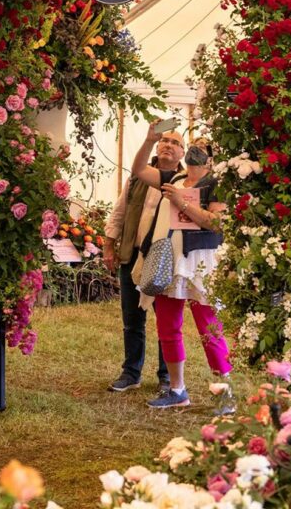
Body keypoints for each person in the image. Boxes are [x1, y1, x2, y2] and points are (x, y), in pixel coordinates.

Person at [129, 125, 234, 412]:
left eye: (203, 147)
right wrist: (149, 140)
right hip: (167, 260)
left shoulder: (216, 184)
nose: (196, 150)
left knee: (209, 328)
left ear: (211, 158)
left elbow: (217, 223)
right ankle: (177, 389)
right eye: (194, 144)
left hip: (199, 263)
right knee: (167, 326)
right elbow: (139, 170)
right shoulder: (173, 176)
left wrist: (180, 202)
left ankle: (225, 395)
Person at [102, 129, 185, 393]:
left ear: (183, 153)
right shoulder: (138, 178)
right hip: (132, 254)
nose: (168, 146)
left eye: (176, 143)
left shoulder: (186, 183)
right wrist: (108, 244)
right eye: (165, 141)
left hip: (164, 260)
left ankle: (165, 374)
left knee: (166, 321)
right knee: (132, 319)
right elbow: (120, 211)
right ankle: (131, 372)